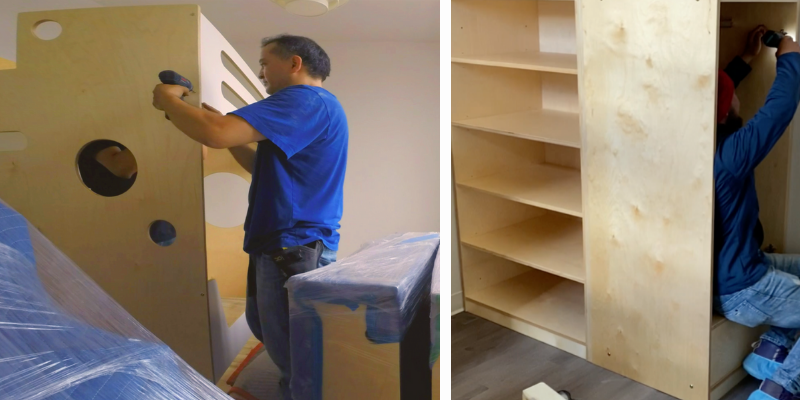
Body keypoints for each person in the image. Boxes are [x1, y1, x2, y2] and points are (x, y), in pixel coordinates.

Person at [151, 34, 347, 400]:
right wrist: (219, 126)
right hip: (285, 242)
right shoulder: (318, 107)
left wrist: (168, 100)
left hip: (291, 242)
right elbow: (261, 166)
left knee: (293, 351)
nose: (261, 73)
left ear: (295, 64)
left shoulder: (303, 99)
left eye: (264, 63)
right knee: (272, 334)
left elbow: (215, 134)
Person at [714, 25, 800, 400]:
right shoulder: (730, 156)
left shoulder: (692, 145)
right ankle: (777, 389)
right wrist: (790, 56)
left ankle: (767, 357)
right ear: (723, 113)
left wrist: (746, 59)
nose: (738, 101)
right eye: (733, 98)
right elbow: (779, 109)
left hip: (726, 275)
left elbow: (716, 91)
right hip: (742, 288)